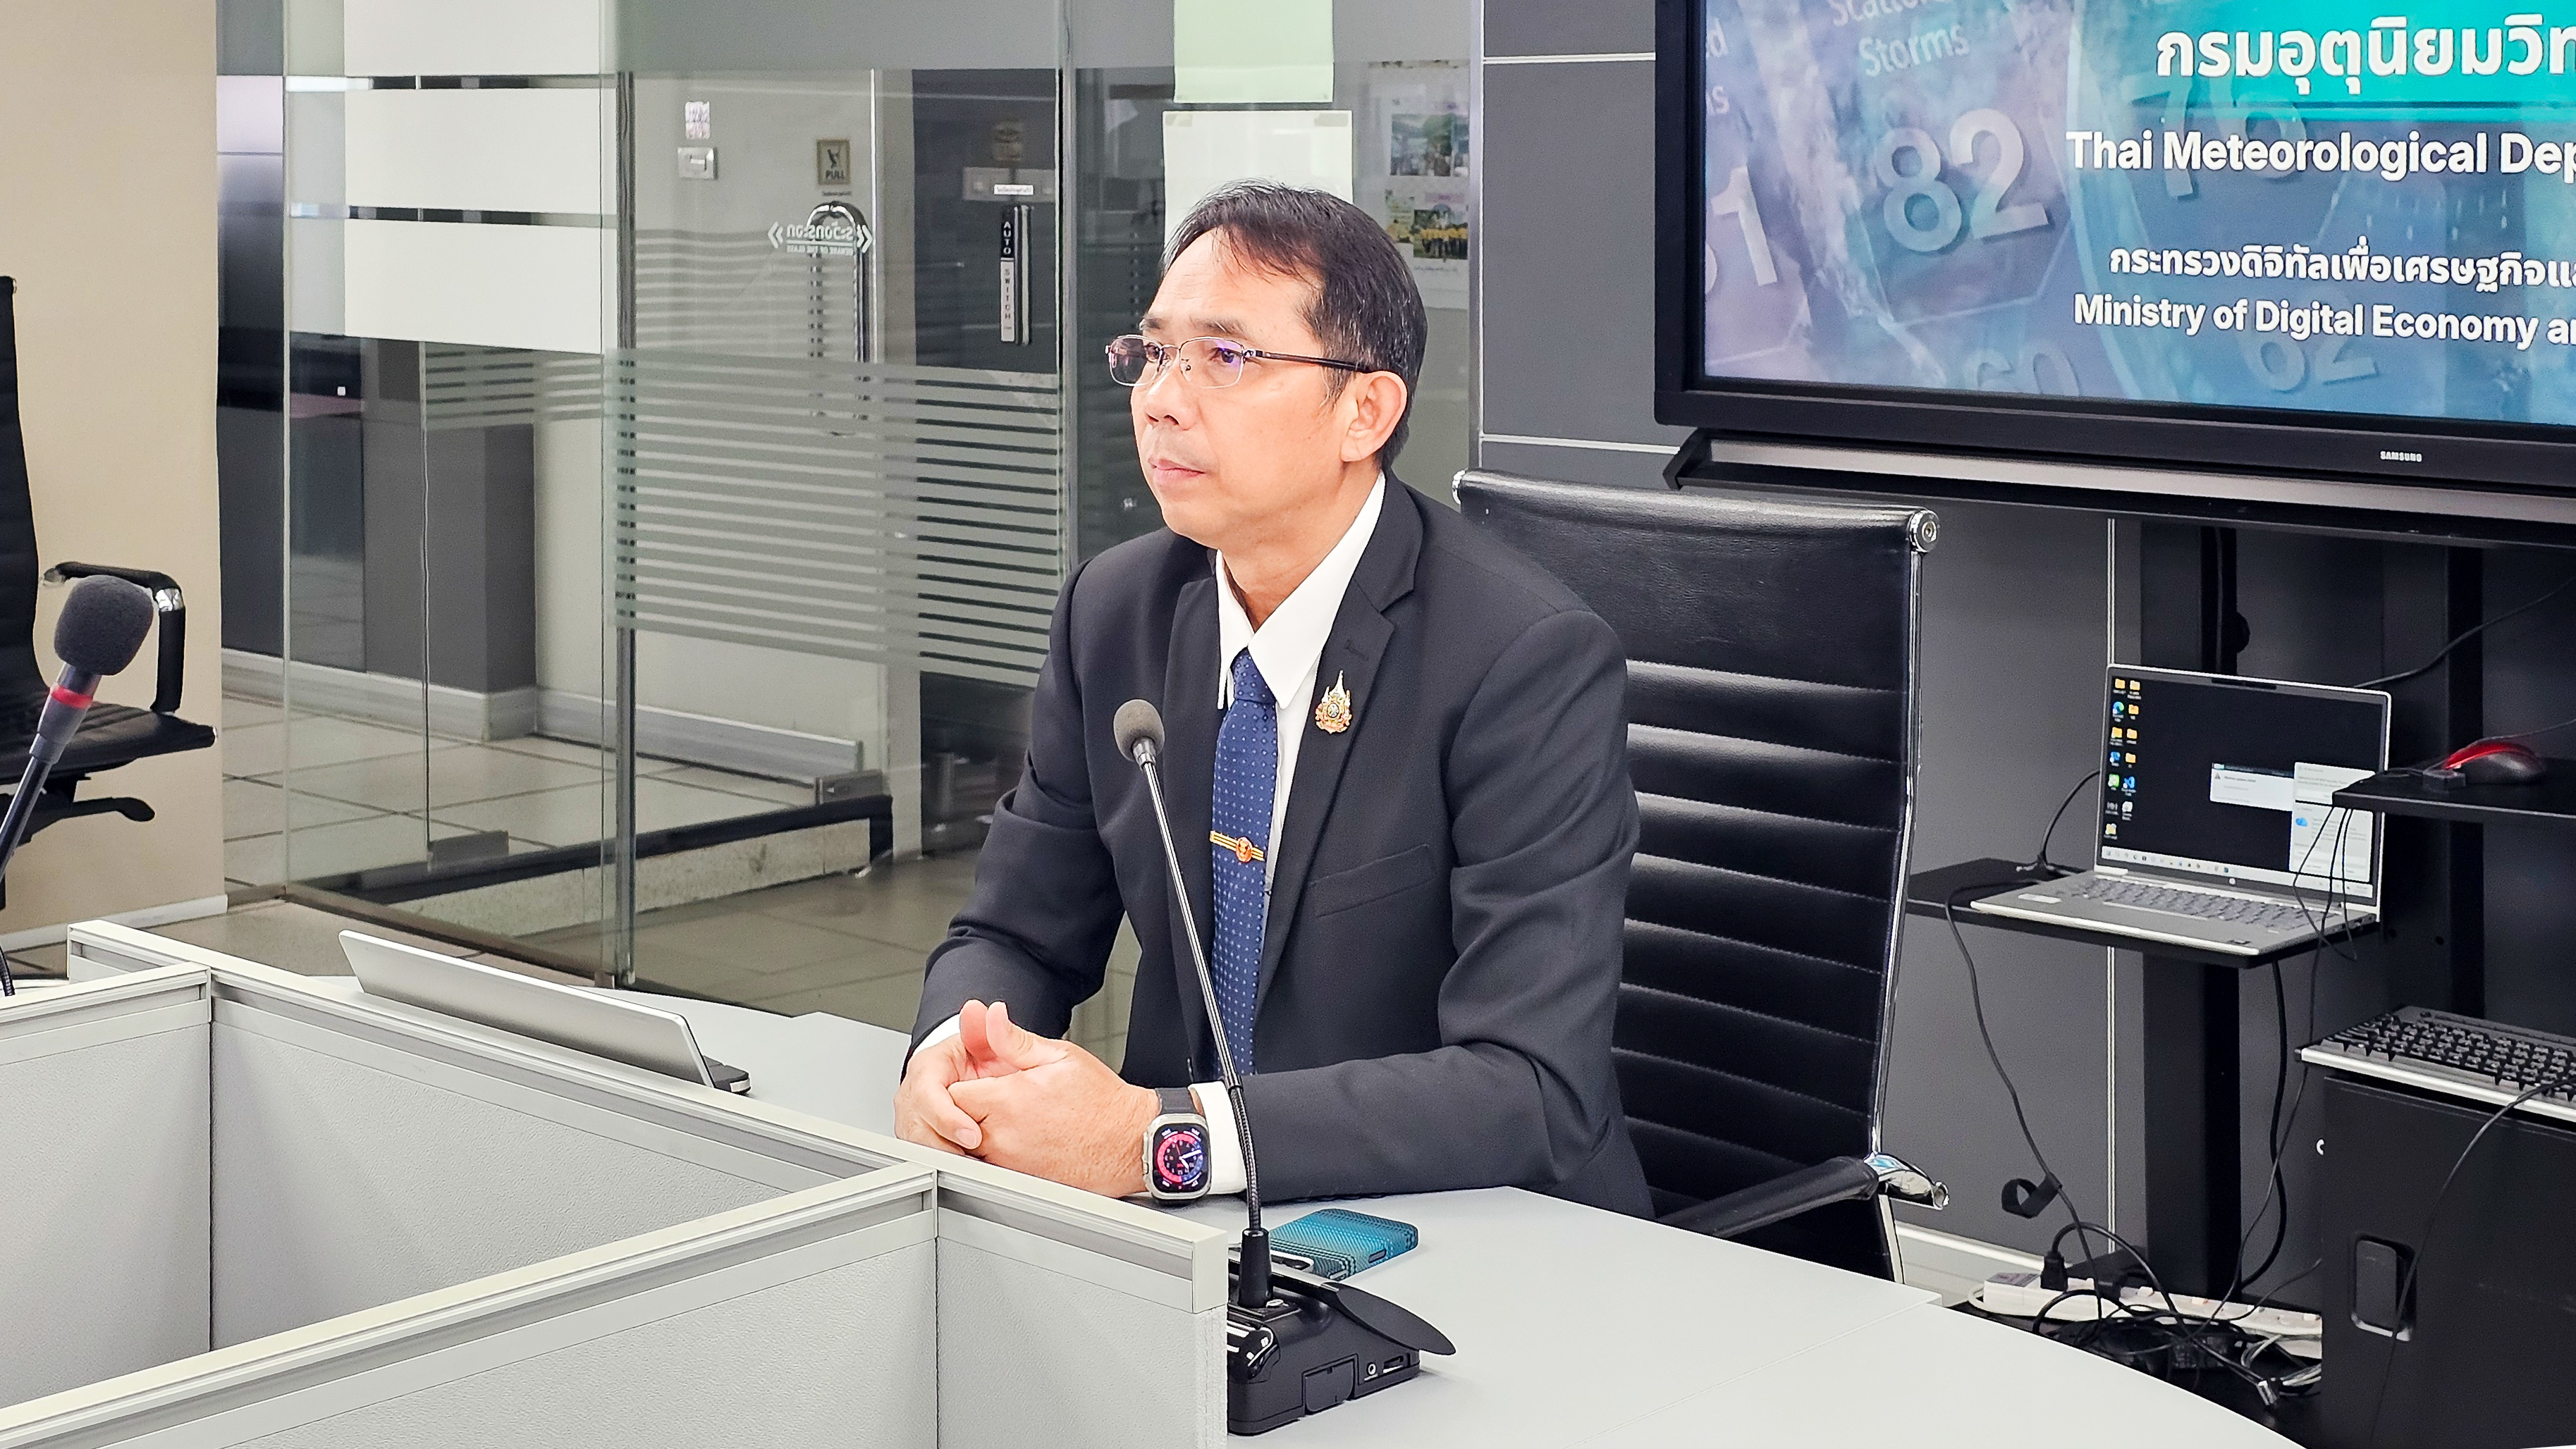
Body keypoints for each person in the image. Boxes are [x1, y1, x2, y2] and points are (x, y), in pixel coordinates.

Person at [893, 180, 1648, 1214]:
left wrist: (1161, 1141)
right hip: (1193, 1234)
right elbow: (1016, 934)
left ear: (1364, 412)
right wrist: (951, 1057)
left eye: (1226, 357)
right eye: (1154, 353)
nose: (1161, 398)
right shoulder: (1114, 611)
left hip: (1467, 1226)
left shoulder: (1522, 659)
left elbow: (1530, 1088)